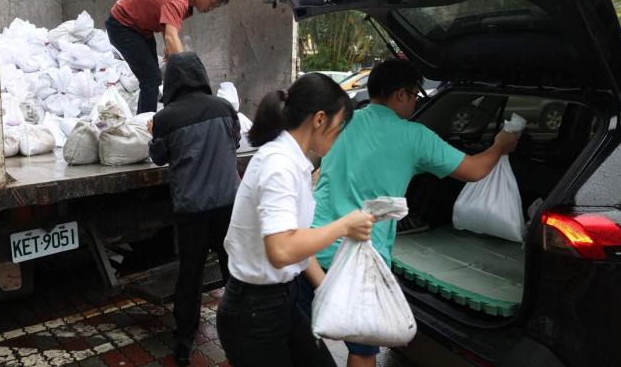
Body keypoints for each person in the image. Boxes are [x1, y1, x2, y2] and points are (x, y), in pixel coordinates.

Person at [304, 58, 519, 367]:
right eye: (415, 95)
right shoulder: (414, 137)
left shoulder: (343, 122)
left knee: (298, 339)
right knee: (362, 351)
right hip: (361, 262)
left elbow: (319, 165)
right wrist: (500, 145)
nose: (417, 101)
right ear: (401, 95)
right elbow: (475, 169)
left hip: (311, 250)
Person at [216, 73, 376, 367]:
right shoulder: (279, 165)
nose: (339, 135)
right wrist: (344, 226)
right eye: (339, 126)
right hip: (254, 314)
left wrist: (328, 289)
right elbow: (282, 250)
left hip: (282, 301)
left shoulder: (294, 163)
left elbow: (298, 244)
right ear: (318, 119)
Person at [147, 52, 240, 366]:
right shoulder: (226, 108)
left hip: (193, 210)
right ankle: (246, 329)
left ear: (170, 81)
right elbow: (234, 143)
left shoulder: (165, 118)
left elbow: (159, 157)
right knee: (235, 272)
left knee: (191, 275)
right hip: (230, 205)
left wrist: (152, 135)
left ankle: (184, 343)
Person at [106, 0, 230, 113]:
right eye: (211, 3)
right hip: (122, 25)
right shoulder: (178, 0)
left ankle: (149, 118)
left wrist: (170, 47)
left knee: (154, 78)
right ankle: (143, 125)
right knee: (151, 79)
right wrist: (190, 77)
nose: (210, 8)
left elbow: (169, 30)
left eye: (214, 7)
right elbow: (171, 36)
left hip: (140, 29)